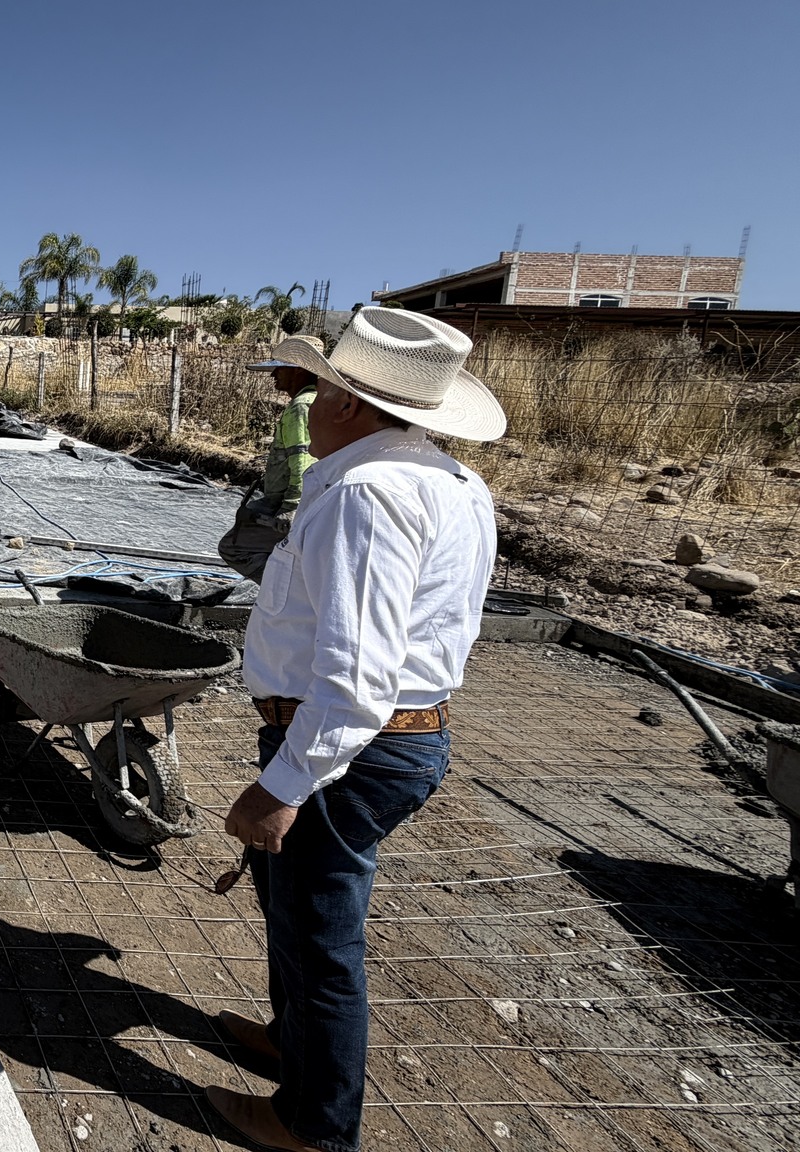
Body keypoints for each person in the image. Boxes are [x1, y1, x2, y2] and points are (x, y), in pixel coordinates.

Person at [207, 308, 506, 1152]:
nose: (305, 401)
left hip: (351, 748)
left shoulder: (366, 495)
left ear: (347, 403)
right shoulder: (449, 480)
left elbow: (359, 678)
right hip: (378, 738)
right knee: (293, 907)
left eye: (319, 387)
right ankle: (293, 1040)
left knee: (319, 936)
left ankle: (314, 1125)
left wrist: (282, 785)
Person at [217, 335, 324, 580]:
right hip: (304, 497)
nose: (273, 374)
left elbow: (302, 458)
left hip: (288, 499)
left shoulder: (301, 406)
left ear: (298, 370)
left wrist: (291, 506)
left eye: (280, 368)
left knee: (234, 547)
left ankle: (292, 591)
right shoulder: (315, 400)